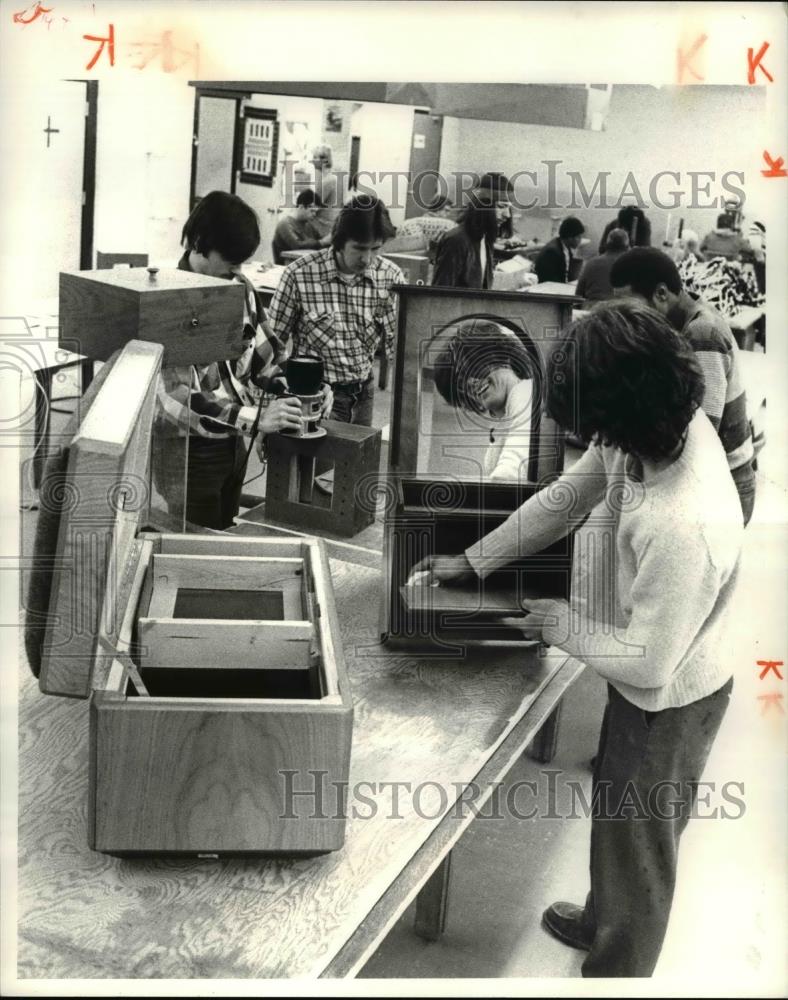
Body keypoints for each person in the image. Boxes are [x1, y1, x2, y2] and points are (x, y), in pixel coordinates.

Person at [413, 301, 743, 977]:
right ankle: (602, 918)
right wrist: (472, 560)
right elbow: (565, 499)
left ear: (623, 406)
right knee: (615, 807)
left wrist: (562, 623)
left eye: (594, 425)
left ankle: (617, 968)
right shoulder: (643, 429)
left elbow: (650, 666)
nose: (589, 438)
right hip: (647, 653)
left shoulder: (689, 521)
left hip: (678, 691)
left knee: (640, 841)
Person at [152, 191, 325, 530]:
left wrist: (302, 391)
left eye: (241, 262)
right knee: (191, 549)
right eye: (231, 261)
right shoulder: (166, 301)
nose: (238, 270)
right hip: (187, 452)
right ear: (199, 242)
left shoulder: (239, 286)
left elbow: (265, 361)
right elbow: (175, 400)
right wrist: (256, 417)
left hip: (233, 443)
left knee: (225, 533)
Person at [610, 247, 756, 525]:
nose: (628, 319)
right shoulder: (687, 320)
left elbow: (702, 434)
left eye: (631, 308)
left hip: (724, 486)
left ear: (662, 294)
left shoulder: (703, 335)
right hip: (711, 480)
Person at [267, 193, 402, 426]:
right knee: (312, 462)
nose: (367, 259)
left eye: (375, 249)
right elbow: (271, 347)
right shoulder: (300, 275)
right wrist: (273, 406)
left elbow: (397, 345)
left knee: (358, 461)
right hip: (315, 395)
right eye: (359, 248)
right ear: (339, 241)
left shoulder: (390, 276)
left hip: (363, 393)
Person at [432, 320, 535, 481]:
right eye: (461, 382)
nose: (471, 382)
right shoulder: (505, 414)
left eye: (476, 366)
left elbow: (508, 475)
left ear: (505, 357)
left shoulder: (524, 393)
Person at [431, 189, 499, 289]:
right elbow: (442, 289)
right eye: (502, 207)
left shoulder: (484, 239)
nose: (507, 214)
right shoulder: (456, 240)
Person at [271, 189, 330, 264]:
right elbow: (297, 245)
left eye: (316, 212)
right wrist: (322, 242)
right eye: (312, 211)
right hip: (287, 267)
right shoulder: (285, 224)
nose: (314, 214)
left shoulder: (308, 224)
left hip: (304, 265)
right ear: (301, 207)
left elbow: (320, 239)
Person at [386, 195, 456, 255]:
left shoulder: (421, 221)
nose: (448, 214)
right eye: (446, 210)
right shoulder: (441, 225)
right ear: (437, 209)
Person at [575, 227, 629, 303]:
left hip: (592, 309)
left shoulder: (591, 263)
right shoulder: (631, 267)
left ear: (606, 244)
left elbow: (578, 294)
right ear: (626, 247)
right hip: (617, 311)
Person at [534, 216, 586, 284]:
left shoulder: (564, 247)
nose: (580, 240)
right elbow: (550, 280)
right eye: (579, 237)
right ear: (570, 237)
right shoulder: (551, 252)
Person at [309, 144, 343, 238]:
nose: (312, 160)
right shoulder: (333, 177)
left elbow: (314, 207)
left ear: (324, 160)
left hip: (323, 228)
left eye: (315, 157)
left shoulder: (327, 181)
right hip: (331, 227)